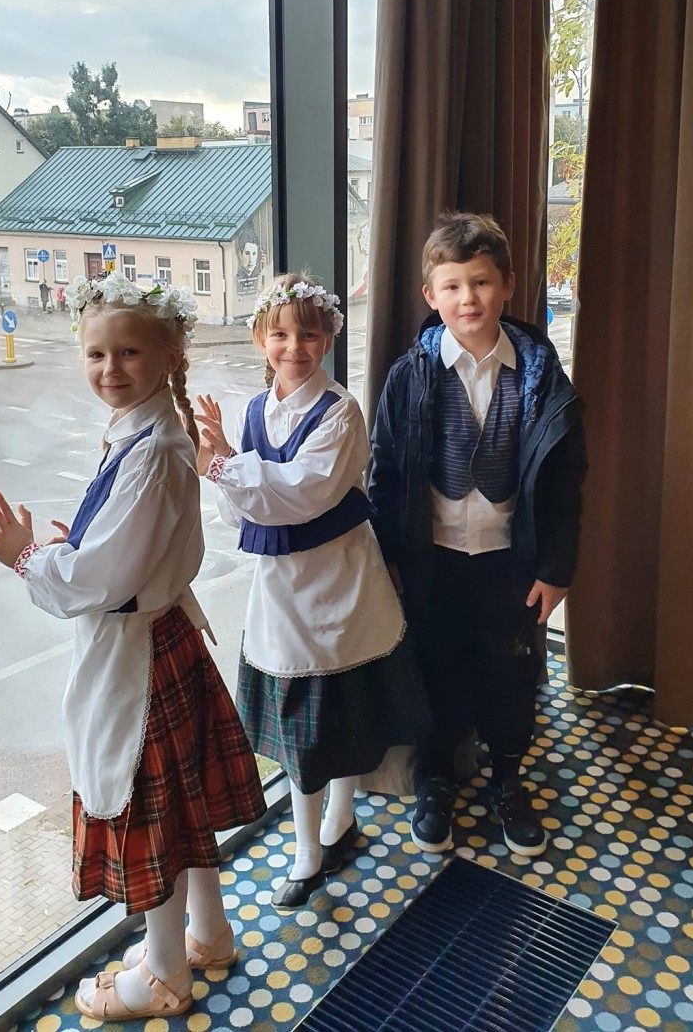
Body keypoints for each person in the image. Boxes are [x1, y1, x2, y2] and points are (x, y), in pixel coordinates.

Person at [0, 271, 265, 1022]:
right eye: (97, 354)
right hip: (164, 640)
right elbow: (125, 552)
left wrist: (27, 556)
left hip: (140, 655)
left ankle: (165, 975)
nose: (110, 368)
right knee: (182, 804)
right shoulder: (148, 430)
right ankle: (209, 933)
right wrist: (84, 546)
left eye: (129, 352)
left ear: (169, 356)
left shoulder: (153, 448)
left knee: (152, 816)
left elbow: (96, 582)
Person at [196, 273, 425, 911]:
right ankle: (306, 848)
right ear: (260, 339)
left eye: (309, 334)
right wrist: (220, 470)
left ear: (328, 340)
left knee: (344, 706)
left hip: (340, 579)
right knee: (303, 723)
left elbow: (304, 492)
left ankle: (340, 817)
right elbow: (245, 511)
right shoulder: (253, 412)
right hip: (283, 591)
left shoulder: (341, 411)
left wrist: (225, 464)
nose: (293, 346)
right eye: (280, 334)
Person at [368, 212, 586, 858]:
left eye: (483, 282)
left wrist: (556, 568)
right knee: (436, 669)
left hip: (509, 560)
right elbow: (385, 473)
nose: (470, 298)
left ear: (508, 285)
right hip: (431, 560)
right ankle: (437, 779)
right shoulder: (410, 375)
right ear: (431, 296)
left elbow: (566, 482)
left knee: (509, 674)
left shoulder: (542, 375)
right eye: (454, 286)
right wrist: (390, 559)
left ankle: (508, 780)